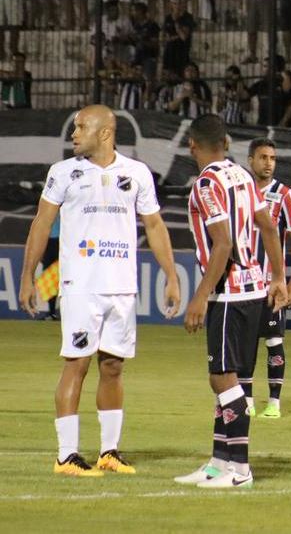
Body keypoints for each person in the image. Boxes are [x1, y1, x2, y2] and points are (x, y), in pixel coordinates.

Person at [19, 105, 180, 477]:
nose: (73, 134)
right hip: (80, 286)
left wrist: (171, 275)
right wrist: (30, 277)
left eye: (80, 127)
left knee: (113, 366)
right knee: (76, 363)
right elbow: (41, 225)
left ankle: (109, 451)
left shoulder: (136, 173)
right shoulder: (63, 173)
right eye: (74, 128)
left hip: (121, 287)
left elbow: (154, 226)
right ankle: (66, 455)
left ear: (104, 132)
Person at [173, 114, 288, 489]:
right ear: (226, 142)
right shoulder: (242, 175)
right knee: (230, 378)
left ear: (192, 144)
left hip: (229, 293)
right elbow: (269, 227)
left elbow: (221, 244)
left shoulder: (206, 183)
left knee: (222, 378)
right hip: (254, 289)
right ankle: (218, 462)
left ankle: (239, 469)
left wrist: (200, 297)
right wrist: (278, 277)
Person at [236, 138, 291, 419]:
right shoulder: (239, 192)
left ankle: (274, 402)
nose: (269, 163)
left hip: (272, 284)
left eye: (273, 158)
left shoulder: (284, 195)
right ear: (251, 160)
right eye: (263, 157)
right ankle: (248, 401)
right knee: (245, 345)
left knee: (274, 341)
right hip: (244, 284)